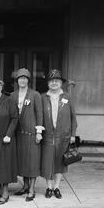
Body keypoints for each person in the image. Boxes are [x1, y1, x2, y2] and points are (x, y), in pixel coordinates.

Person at [41, 69, 77, 199]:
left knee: (60, 162)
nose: (54, 83)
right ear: (48, 83)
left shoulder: (67, 97)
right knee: (47, 162)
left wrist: (73, 134)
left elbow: (73, 117)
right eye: (51, 80)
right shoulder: (43, 97)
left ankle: (56, 187)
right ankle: (49, 187)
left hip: (64, 136)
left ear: (61, 83)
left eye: (57, 80)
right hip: (48, 135)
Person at [10, 68, 44, 202]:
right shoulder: (13, 95)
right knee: (23, 161)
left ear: (28, 80)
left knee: (32, 162)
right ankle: (25, 186)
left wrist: (39, 132)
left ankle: (31, 189)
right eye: (20, 78)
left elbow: (39, 114)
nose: (22, 80)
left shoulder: (35, 94)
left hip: (31, 133)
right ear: (17, 80)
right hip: (18, 133)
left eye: (25, 78)